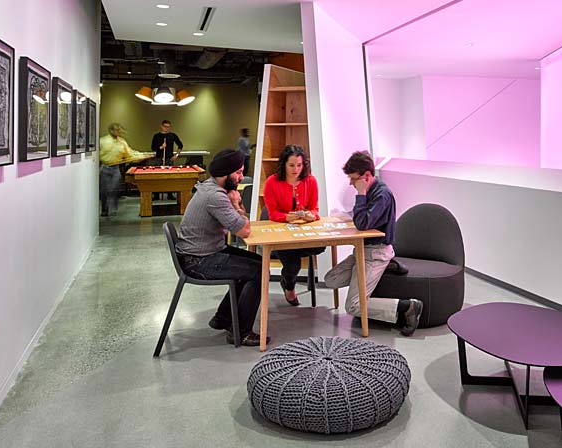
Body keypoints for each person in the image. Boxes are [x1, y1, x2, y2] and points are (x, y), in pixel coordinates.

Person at [175, 148, 269, 347]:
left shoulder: (210, 186)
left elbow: (241, 227)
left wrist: (235, 207)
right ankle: (240, 332)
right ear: (224, 173)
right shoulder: (216, 197)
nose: (241, 177)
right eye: (238, 172)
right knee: (259, 271)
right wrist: (236, 204)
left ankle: (223, 318)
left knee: (260, 263)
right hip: (198, 260)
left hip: (200, 253)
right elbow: (244, 230)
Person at [323, 151, 423, 336]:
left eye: (354, 179)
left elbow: (362, 224)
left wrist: (360, 194)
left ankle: (407, 307)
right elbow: (362, 220)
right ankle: (386, 267)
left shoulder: (382, 195)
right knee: (330, 279)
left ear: (366, 176)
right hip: (362, 250)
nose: (351, 183)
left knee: (353, 306)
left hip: (375, 253)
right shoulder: (371, 191)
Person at [263, 144, 324, 306]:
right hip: (281, 233)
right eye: (291, 165)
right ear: (283, 164)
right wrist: (287, 218)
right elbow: (273, 214)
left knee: (321, 247)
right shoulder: (272, 182)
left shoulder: (310, 181)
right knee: (293, 264)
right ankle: (288, 285)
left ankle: (289, 273)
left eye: (299, 165)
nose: (296, 169)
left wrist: (312, 215)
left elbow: (314, 208)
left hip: (303, 231)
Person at [98, 122, 153, 217]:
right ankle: (104, 209)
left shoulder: (122, 142)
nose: (120, 132)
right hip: (105, 167)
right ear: (111, 131)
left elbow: (130, 154)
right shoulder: (102, 141)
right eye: (118, 130)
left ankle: (113, 207)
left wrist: (143, 155)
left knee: (114, 189)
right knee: (104, 190)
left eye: (120, 130)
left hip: (115, 168)